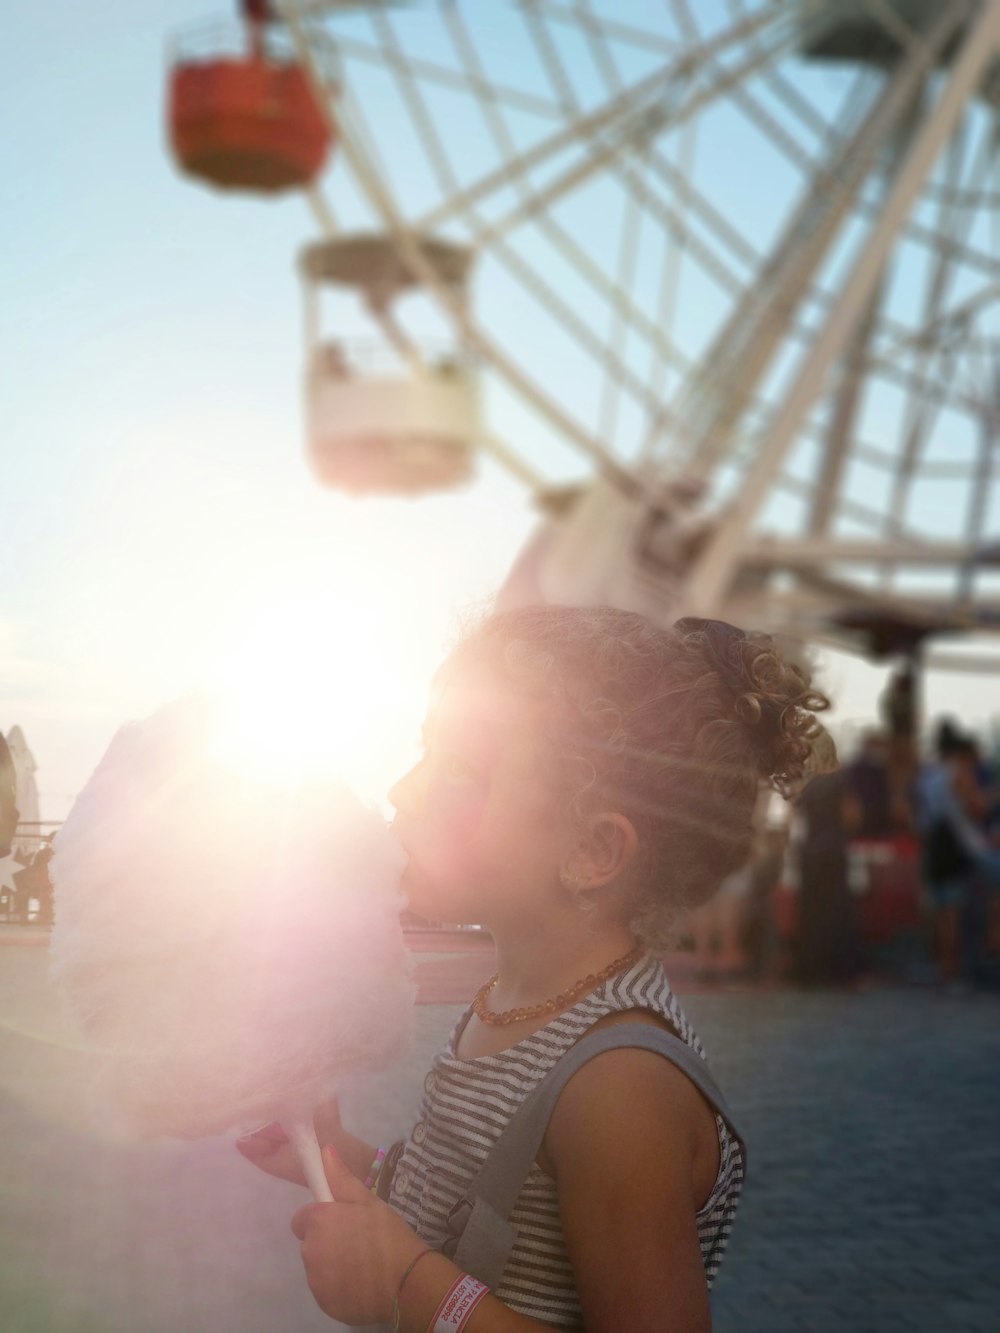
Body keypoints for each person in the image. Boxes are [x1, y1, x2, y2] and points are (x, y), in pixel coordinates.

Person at [237, 606, 828, 1331]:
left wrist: (403, 1283)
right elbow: (468, 1198)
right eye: (424, 751)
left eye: (459, 772)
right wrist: (330, 1157)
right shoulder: (515, 997)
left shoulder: (617, 1087)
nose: (402, 790)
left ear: (592, 852)